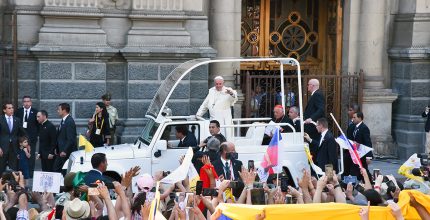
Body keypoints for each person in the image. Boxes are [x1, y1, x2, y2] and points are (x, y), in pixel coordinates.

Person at [14, 96, 38, 177]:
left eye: (28, 101)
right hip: (20, 139)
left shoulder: (35, 112)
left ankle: (30, 175)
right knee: (21, 156)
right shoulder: (18, 111)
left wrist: (35, 135)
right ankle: (21, 174)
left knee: (30, 157)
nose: (26, 103)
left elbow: (38, 125)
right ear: (22, 103)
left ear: (31, 102)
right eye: (25, 101)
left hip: (31, 139)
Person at [0, 102, 26, 175]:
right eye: (9, 108)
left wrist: (24, 143)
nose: (12, 110)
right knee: (1, 167)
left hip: (14, 148)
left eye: (12, 108)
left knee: (13, 169)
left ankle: (12, 185)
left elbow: (23, 132)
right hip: (3, 148)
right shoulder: (0, 119)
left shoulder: (17, 120)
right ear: (4, 110)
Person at [345, 112, 373, 180]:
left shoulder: (364, 128)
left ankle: (370, 182)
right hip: (355, 154)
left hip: (362, 154)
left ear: (360, 118)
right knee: (357, 170)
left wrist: (369, 156)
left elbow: (368, 142)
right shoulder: (354, 127)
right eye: (352, 117)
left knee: (362, 170)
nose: (353, 119)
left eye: (354, 117)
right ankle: (351, 184)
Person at [53, 103, 77, 174]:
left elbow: (71, 139)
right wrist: (57, 148)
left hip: (66, 152)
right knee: (57, 168)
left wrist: (65, 151)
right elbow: (61, 136)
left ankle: (63, 184)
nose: (57, 111)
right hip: (61, 151)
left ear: (64, 110)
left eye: (59, 109)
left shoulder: (69, 121)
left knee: (63, 170)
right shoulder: (64, 120)